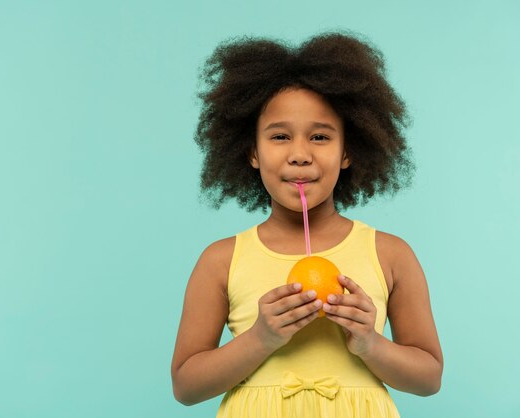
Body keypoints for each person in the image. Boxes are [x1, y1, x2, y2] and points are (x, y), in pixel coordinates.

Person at [171, 32, 443, 418]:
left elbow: (429, 378)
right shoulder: (220, 260)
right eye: (280, 136)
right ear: (251, 151)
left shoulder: (391, 254)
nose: (300, 154)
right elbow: (185, 386)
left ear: (349, 150)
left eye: (319, 136)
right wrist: (261, 338)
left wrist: (368, 342)